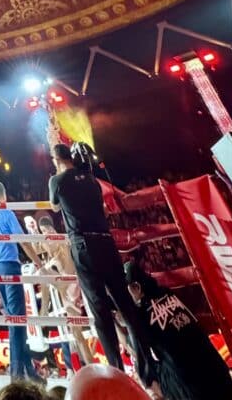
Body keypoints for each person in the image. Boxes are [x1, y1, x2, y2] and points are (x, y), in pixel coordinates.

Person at [49, 145, 157, 390]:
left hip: (84, 245)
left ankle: (115, 373)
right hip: (106, 242)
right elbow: (101, 206)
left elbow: (54, 206)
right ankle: (148, 370)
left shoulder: (57, 180)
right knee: (126, 306)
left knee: (100, 312)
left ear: (56, 159)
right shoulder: (92, 181)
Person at [124, 261, 232, 400]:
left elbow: (132, 347)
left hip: (192, 390)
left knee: (147, 372)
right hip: (221, 378)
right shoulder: (167, 292)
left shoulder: (139, 314)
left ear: (136, 287)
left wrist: (122, 320)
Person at [0, 181, 42, 385]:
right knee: (17, 321)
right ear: (3, 195)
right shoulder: (6, 212)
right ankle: (17, 376)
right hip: (8, 266)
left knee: (15, 320)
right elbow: (22, 240)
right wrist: (37, 261)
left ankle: (29, 371)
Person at [37, 214, 92, 370]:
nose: (44, 233)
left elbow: (41, 247)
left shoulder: (56, 239)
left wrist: (32, 231)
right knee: (75, 332)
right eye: (42, 231)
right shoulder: (56, 241)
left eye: (44, 230)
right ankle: (86, 367)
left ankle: (43, 310)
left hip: (71, 282)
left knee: (43, 271)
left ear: (50, 228)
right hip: (69, 287)